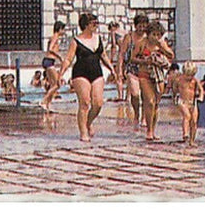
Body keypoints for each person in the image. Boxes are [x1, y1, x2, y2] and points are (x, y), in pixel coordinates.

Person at [58, 12, 111, 143]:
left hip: (96, 72)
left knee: (98, 103)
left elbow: (103, 56)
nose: (96, 26)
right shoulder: (76, 41)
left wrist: (112, 69)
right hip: (81, 73)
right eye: (94, 24)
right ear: (86, 25)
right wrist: (61, 73)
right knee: (85, 102)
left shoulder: (98, 38)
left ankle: (88, 122)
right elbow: (68, 59)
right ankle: (83, 132)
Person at [135, 20, 174, 142]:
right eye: (153, 34)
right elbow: (133, 58)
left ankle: (153, 128)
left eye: (158, 35)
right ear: (148, 33)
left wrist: (162, 49)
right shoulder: (142, 43)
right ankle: (149, 130)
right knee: (150, 101)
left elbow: (171, 55)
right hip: (144, 73)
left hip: (158, 75)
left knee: (156, 103)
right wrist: (145, 61)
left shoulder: (161, 44)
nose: (156, 37)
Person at [122, 13, 148, 125]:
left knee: (146, 95)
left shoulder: (148, 38)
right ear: (135, 25)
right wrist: (119, 69)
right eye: (139, 26)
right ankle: (137, 113)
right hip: (131, 68)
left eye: (144, 26)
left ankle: (144, 117)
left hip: (145, 69)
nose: (141, 28)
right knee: (135, 93)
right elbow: (122, 53)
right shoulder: (129, 37)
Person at [40, 20, 67, 110]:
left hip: (49, 61)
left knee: (52, 85)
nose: (64, 32)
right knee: (57, 84)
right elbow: (51, 48)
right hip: (49, 61)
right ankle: (43, 101)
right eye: (63, 29)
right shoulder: (55, 37)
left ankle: (48, 105)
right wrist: (59, 57)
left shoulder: (54, 37)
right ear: (59, 29)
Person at [176, 62, 201, 146]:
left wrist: (200, 97)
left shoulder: (195, 81)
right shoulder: (179, 80)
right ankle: (185, 133)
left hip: (192, 102)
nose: (189, 78)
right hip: (182, 101)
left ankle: (192, 140)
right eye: (187, 76)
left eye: (191, 76)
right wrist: (175, 96)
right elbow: (174, 88)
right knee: (187, 116)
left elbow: (200, 89)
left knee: (194, 121)